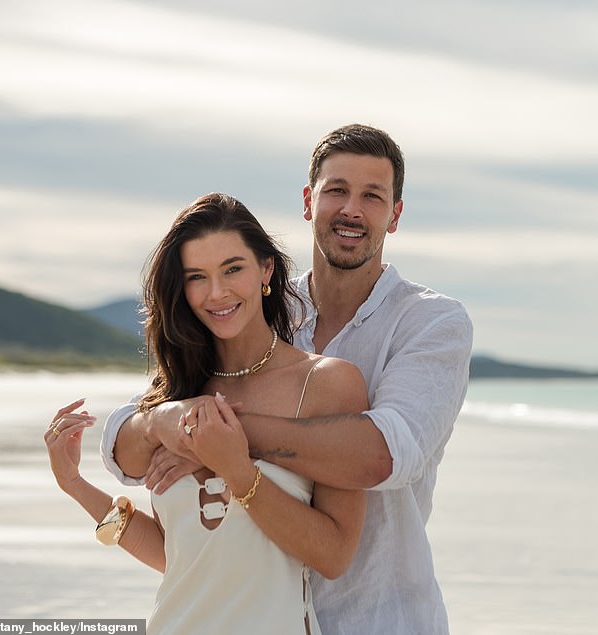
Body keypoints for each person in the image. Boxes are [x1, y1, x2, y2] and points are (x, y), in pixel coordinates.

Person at [101, 124, 474, 634]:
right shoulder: (250, 299)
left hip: (382, 617)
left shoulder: (432, 323)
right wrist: (171, 417)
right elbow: (128, 435)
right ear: (308, 201)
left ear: (395, 215)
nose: (352, 210)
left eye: (373, 196)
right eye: (337, 190)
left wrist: (216, 436)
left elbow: (384, 454)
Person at [45, 193, 369, 635]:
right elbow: (179, 558)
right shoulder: (177, 394)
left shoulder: (326, 385)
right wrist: (75, 485)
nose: (217, 293)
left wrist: (236, 469)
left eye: (233, 269)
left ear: (266, 270)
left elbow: (334, 556)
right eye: (197, 277)